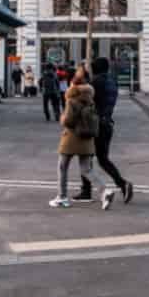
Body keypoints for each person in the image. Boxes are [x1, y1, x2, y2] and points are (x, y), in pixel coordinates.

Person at [84, 56, 134, 207]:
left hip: (95, 125)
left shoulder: (95, 82)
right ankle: (122, 184)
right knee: (102, 159)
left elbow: (85, 101)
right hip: (107, 124)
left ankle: (86, 191)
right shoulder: (112, 81)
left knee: (86, 158)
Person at [53, 69, 102, 208]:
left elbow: (68, 121)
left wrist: (62, 118)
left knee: (62, 166)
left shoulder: (72, 99)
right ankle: (105, 190)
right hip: (87, 137)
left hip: (71, 138)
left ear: (73, 85)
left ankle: (62, 197)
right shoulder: (90, 98)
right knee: (86, 169)